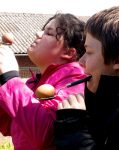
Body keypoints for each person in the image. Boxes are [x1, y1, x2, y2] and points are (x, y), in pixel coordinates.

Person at [54, 5, 119, 150]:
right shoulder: (107, 101)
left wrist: (73, 130)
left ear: (118, 60)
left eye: (89, 52)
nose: (81, 61)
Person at [0, 13, 86, 150]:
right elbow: (7, 125)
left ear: (69, 53)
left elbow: (47, 134)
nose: (37, 33)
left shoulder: (76, 80)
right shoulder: (32, 83)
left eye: (49, 33)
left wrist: (10, 77)